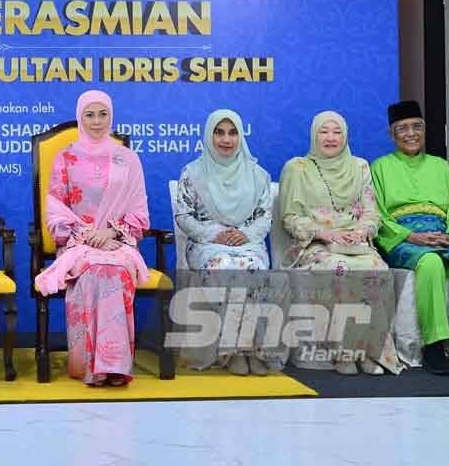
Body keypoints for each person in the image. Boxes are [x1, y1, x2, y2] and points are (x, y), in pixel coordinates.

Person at [372, 100, 449, 375]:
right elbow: (378, 214)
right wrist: (411, 236)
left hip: (443, 235)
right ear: (392, 134)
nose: (411, 134)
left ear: (424, 130)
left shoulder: (441, 166)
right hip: (406, 240)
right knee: (430, 263)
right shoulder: (380, 167)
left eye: (416, 127)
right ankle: (434, 345)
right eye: (402, 128)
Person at [34, 90, 150, 386]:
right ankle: (92, 366)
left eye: (103, 114)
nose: (96, 121)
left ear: (111, 117)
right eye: (90, 114)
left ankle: (115, 365)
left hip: (119, 242)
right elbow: (56, 212)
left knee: (116, 271)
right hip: (78, 243)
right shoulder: (66, 158)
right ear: (79, 117)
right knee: (96, 271)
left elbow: (139, 213)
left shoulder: (127, 159)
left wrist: (111, 233)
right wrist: (89, 235)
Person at [276, 111, 400, 375]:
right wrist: (326, 233)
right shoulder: (297, 168)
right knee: (339, 269)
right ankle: (345, 353)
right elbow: (290, 217)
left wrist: (361, 231)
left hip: (357, 244)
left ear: (345, 136)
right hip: (316, 246)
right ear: (314, 134)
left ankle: (370, 352)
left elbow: (372, 212)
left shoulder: (360, 167)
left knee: (377, 271)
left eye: (337, 132)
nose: (331, 138)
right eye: (324, 131)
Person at [174, 109, 273, 375]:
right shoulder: (192, 173)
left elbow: (265, 216)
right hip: (207, 244)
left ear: (241, 136)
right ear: (209, 135)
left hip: (247, 243)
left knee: (253, 269)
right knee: (224, 267)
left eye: (232, 133)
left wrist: (247, 234)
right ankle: (235, 351)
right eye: (219, 132)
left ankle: (253, 348)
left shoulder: (257, 174)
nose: (226, 139)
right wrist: (214, 233)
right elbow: (183, 215)